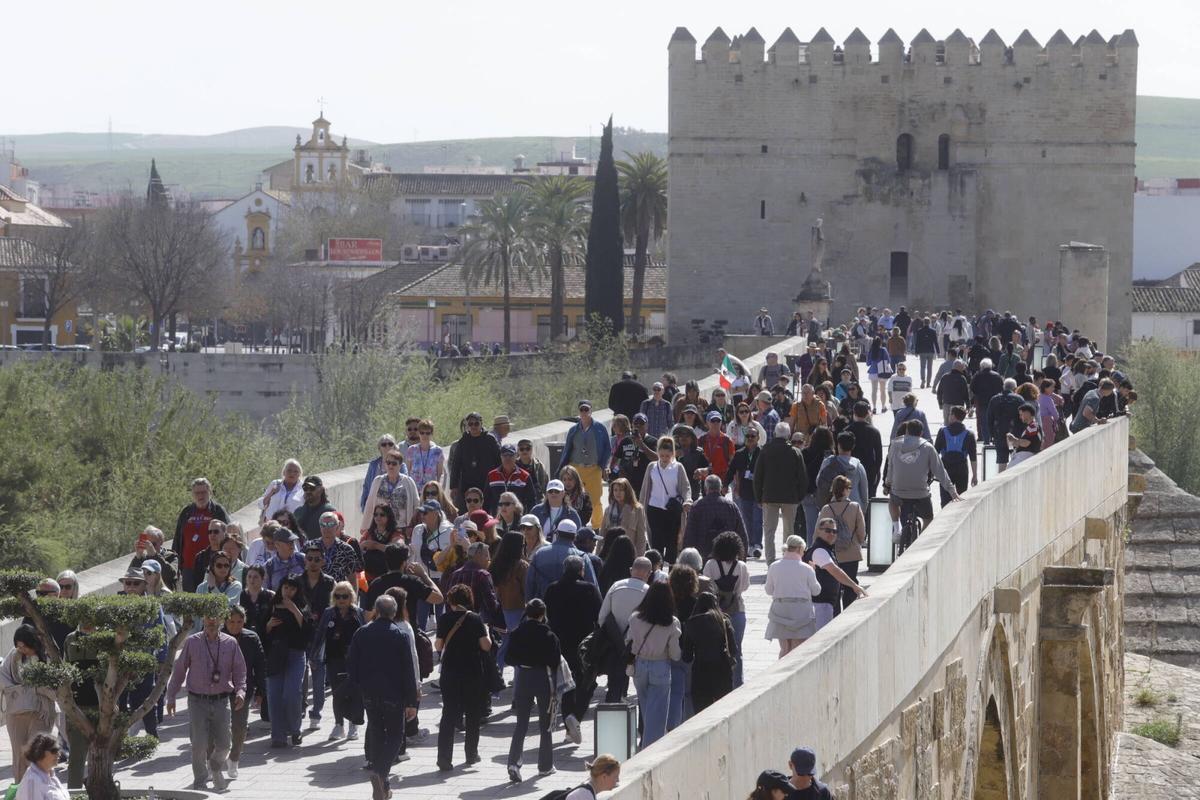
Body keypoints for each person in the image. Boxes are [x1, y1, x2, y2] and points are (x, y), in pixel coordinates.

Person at [165, 612, 247, 792]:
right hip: (197, 701)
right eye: (208, 617)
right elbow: (179, 671)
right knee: (199, 745)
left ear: (221, 619)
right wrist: (171, 696)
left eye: (215, 617)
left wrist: (241, 690)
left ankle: (216, 765)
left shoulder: (230, 643)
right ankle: (200, 783)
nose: (211, 620)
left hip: (221, 701)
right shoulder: (192, 642)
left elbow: (240, 670)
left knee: (225, 744)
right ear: (203, 619)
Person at [348, 595, 419, 800]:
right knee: (396, 736)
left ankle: (383, 785)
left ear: (376, 611)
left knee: (378, 733)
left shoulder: (362, 633)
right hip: (393, 694)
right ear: (394, 613)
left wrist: (359, 688)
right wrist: (411, 701)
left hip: (370, 693)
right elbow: (408, 670)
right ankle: (380, 773)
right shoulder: (399, 635)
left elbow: (352, 665)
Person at [503, 597, 562, 783]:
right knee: (546, 723)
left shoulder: (517, 633)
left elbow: (509, 658)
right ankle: (545, 766)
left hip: (524, 677)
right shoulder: (549, 635)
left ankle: (513, 763)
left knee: (521, 723)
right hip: (543, 678)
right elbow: (555, 661)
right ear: (543, 614)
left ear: (526, 613)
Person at [544, 555, 601, 743]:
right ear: (581, 570)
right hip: (584, 645)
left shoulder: (552, 589)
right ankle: (575, 717)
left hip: (560, 643)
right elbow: (599, 616)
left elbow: (548, 614)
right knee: (588, 683)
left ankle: (570, 724)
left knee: (567, 684)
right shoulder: (589, 589)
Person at [435, 584, 491, 771]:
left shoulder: (444, 619)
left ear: (450, 600)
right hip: (472, 672)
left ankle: (444, 758)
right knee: (473, 713)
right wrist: (487, 631)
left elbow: (438, 645)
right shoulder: (475, 619)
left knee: (449, 714)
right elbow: (486, 646)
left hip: (450, 671)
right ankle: (471, 754)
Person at [625, 581, 681, 748]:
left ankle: (645, 745)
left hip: (640, 666)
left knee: (646, 709)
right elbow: (675, 654)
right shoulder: (671, 622)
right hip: (660, 667)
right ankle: (650, 750)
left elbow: (629, 641)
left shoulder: (635, 618)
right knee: (657, 715)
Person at [884, 419, 960, 538]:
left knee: (893, 502)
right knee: (928, 518)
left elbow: (891, 466)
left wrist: (888, 483)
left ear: (907, 431)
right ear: (921, 433)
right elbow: (939, 470)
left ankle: (897, 529)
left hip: (899, 490)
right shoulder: (928, 447)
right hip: (920, 492)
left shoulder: (895, 444)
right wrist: (952, 491)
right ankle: (920, 540)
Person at [0, 626, 56, 781]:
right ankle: (21, 790)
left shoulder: (48, 655)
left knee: (37, 754)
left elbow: (55, 686)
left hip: (41, 711)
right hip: (17, 712)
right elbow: (2, 676)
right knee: (19, 755)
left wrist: (36, 688)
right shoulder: (14, 656)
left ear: (33, 641)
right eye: (18, 646)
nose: (22, 649)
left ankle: (40, 791)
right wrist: (18, 689)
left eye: (24, 645)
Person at [263, 575, 310, 748]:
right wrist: (269, 625)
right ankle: (278, 736)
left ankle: (295, 730)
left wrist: (294, 609)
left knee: (291, 694)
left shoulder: (302, 606)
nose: (288, 592)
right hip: (275, 654)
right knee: (274, 696)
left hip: (295, 654)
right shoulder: (272, 605)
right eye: (285, 588)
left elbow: (306, 629)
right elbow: (263, 631)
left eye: (292, 588)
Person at [754, 422, 809, 564]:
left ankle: (770, 561)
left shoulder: (765, 451)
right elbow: (802, 477)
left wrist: (758, 497)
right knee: (789, 531)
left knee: (769, 532)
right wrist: (799, 496)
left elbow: (758, 476)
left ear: (775, 434)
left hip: (769, 497)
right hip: (790, 498)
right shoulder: (795, 452)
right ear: (789, 435)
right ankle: (788, 559)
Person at [702, 531, 751, 687]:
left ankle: (718, 683)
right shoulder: (741, 566)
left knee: (716, 649)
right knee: (736, 649)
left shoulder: (710, 565)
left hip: (715, 611)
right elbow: (744, 587)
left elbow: (706, 586)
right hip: (737, 609)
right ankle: (737, 683)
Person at [223, 606, 265, 780]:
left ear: (244, 621)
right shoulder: (217, 636)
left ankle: (234, 759)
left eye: (239, 622)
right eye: (231, 622)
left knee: (240, 727)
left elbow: (260, 665)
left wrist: (261, 691)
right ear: (225, 622)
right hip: (219, 690)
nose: (235, 626)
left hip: (243, 689)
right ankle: (213, 762)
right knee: (217, 728)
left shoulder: (251, 638)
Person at [805, 518, 867, 631]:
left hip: (824, 603)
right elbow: (835, 571)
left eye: (834, 531)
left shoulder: (825, 550)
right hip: (820, 604)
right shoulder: (819, 551)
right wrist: (854, 586)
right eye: (827, 531)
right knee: (821, 640)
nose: (832, 534)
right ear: (818, 531)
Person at [816, 474, 868, 610]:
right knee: (850, 584)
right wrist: (858, 542)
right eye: (849, 487)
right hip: (851, 552)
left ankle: (836, 613)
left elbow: (817, 532)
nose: (850, 490)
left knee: (834, 585)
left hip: (832, 553)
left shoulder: (826, 509)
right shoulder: (855, 507)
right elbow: (861, 532)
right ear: (845, 490)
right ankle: (848, 610)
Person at [764, 535, 821, 657]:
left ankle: (780, 675)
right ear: (800, 549)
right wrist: (813, 571)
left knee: (784, 649)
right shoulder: (807, 569)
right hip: (801, 611)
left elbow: (768, 590)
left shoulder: (774, 566)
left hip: (780, 609)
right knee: (797, 650)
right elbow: (816, 591)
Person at [681, 592, 738, 712]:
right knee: (723, 711)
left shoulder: (691, 623)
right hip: (722, 670)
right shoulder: (723, 621)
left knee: (702, 713)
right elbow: (733, 649)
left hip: (700, 672)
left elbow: (687, 657)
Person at [557, 399, 610, 528]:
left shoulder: (600, 428)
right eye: (582, 410)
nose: (584, 412)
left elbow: (607, 448)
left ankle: (597, 526)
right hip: (576, 468)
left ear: (591, 411)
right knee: (573, 496)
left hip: (593, 468)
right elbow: (567, 449)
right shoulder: (573, 430)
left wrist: (602, 466)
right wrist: (563, 468)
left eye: (587, 409)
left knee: (596, 498)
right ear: (579, 412)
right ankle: (573, 523)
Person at [640, 436, 693, 565]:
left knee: (672, 543)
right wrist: (641, 506)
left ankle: (671, 572)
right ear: (658, 453)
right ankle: (656, 571)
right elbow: (645, 489)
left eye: (667, 456)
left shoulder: (678, 467)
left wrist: (687, 500)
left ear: (672, 454)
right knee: (656, 542)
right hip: (654, 508)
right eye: (662, 455)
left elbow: (686, 487)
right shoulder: (651, 467)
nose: (664, 459)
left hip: (672, 510)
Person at [363, 542, 442, 627]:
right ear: (404, 562)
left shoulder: (376, 584)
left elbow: (368, 617)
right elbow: (439, 598)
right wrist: (424, 575)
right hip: (409, 633)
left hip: (383, 634)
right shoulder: (413, 582)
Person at [173, 477, 230, 592]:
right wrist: (175, 565)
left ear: (210, 492)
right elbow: (178, 539)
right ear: (192, 494)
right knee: (191, 602)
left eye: (203, 492)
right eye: (197, 493)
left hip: (212, 565)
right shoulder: (186, 512)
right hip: (188, 567)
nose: (200, 496)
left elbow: (229, 535)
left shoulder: (217, 511)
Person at [527, 519, 598, 600]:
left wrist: (529, 604)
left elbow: (530, 583)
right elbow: (592, 587)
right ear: (575, 537)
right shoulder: (582, 557)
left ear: (557, 534)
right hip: (572, 609)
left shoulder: (540, 553)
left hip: (543, 608)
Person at [683, 474, 748, 559]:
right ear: (720, 488)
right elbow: (742, 534)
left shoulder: (697, 507)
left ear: (706, 488)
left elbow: (689, 536)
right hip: (728, 557)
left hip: (703, 557)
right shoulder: (731, 506)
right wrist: (742, 558)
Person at [490, 532, 529, 669]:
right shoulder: (521, 566)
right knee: (518, 647)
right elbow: (527, 590)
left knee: (505, 645)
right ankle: (518, 681)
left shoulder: (495, 564)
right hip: (518, 610)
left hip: (501, 610)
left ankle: (497, 679)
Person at [725, 424, 764, 558]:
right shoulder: (740, 453)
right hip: (744, 492)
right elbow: (731, 471)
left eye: (753, 436)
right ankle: (748, 545)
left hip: (759, 493)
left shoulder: (762, 453)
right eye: (747, 436)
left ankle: (757, 545)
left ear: (758, 438)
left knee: (758, 520)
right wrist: (725, 485)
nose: (750, 438)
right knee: (746, 520)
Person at [362, 451, 419, 540]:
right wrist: (365, 526)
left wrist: (412, 526)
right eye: (388, 463)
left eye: (394, 463)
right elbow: (370, 504)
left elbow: (416, 505)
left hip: (402, 528)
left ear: (400, 465)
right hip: (380, 528)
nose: (390, 466)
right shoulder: (378, 481)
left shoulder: (408, 482)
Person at [449, 411, 502, 508]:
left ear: (481, 424)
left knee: (487, 509)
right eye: (470, 424)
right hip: (468, 483)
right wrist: (453, 486)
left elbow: (499, 460)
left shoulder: (490, 439)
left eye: (476, 423)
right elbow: (456, 465)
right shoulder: (463, 442)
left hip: (487, 482)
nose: (473, 426)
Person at [934, 406, 978, 506]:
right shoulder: (969, 434)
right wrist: (974, 475)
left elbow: (935, 452)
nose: (949, 416)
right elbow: (973, 457)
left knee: (945, 499)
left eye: (950, 414)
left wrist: (932, 471)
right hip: (962, 468)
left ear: (953, 416)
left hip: (945, 468)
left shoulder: (942, 431)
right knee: (961, 497)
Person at [600, 477, 649, 556]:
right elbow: (602, 534)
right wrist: (598, 554)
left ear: (627, 491)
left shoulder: (637, 509)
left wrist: (639, 557)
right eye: (615, 490)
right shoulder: (608, 510)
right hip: (610, 553)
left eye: (621, 490)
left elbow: (641, 537)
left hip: (629, 553)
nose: (618, 493)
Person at [13, 734, 69, 800]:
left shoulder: (50, 774)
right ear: (40, 751)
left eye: (59, 750)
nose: (59, 754)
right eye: (54, 750)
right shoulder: (32, 782)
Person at [486, 443, 535, 515]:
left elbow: (531, 501)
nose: (507, 458)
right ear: (500, 457)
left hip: (518, 519)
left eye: (511, 455)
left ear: (516, 456)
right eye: (505, 455)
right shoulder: (491, 475)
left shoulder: (525, 476)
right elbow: (486, 500)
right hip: (497, 520)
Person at [987, 378, 1025, 472]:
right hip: (1016, 434)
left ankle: (1001, 480)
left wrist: (992, 435)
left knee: (1001, 461)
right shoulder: (1019, 399)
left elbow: (989, 419)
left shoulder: (994, 399)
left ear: (1003, 387)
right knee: (1016, 459)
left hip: (999, 434)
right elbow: (1024, 418)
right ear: (1015, 388)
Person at [130, 525, 179, 590]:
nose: (150, 546)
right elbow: (130, 578)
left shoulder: (171, 556)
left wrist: (154, 555)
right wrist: (138, 557)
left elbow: (171, 575)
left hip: (164, 593)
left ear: (161, 542)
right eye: (147, 544)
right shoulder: (142, 558)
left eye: (153, 544)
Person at [361, 433, 398, 512]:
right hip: (375, 507)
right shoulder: (373, 465)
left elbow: (404, 483)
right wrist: (364, 505)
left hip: (394, 507)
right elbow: (367, 486)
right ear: (379, 448)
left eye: (390, 444)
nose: (387, 447)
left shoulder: (401, 465)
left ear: (394, 447)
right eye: (384, 444)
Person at [405, 420, 447, 490]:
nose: (425, 435)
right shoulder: (411, 450)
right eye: (422, 433)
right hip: (414, 490)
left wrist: (439, 490)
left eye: (428, 433)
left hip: (431, 491)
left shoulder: (438, 451)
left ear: (432, 434)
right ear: (418, 433)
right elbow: (407, 472)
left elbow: (440, 474)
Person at [261, 458, 306, 523]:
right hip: (272, 526)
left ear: (300, 474)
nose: (292, 473)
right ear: (284, 472)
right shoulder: (275, 484)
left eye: (296, 471)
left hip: (292, 527)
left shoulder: (304, 489)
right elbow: (261, 504)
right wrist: (271, 493)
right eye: (289, 470)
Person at [970, 359, 1004, 443]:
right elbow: (1001, 388)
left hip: (982, 402)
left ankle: (986, 440)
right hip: (995, 402)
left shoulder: (977, 375)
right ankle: (995, 438)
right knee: (995, 421)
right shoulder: (997, 375)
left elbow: (972, 388)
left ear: (981, 366)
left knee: (984, 422)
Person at [263, 526, 305, 591]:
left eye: (292, 541)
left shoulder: (302, 559)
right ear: (277, 544)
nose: (292, 545)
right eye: (288, 542)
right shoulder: (268, 567)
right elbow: (266, 592)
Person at [936, 358, 972, 426]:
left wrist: (940, 403)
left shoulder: (945, 377)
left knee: (947, 424)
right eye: (962, 367)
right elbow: (965, 394)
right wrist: (968, 405)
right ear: (960, 368)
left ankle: (947, 436)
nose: (963, 369)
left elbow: (939, 392)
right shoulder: (962, 378)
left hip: (946, 404)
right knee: (957, 424)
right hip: (958, 405)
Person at [1006, 402, 1042, 468]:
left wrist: (1014, 439)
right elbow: (1022, 443)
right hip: (1023, 456)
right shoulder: (1030, 427)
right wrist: (1012, 440)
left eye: (1021, 414)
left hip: (1025, 457)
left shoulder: (1033, 426)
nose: (1020, 417)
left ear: (1027, 413)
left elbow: (1026, 443)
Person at [559, 465, 595, 529]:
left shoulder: (584, 497)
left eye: (570, 479)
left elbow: (586, 516)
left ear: (576, 480)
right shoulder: (558, 496)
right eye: (564, 480)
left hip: (578, 529)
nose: (567, 482)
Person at [913, 317, 940, 387]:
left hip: (922, 351)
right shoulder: (933, 331)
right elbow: (935, 342)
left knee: (922, 367)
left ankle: (923, 380)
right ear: (929, 323)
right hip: (930, 351)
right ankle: (928, 382)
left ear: (923, 323)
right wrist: (938, 351)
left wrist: (916, 351)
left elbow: (917, 342)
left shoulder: (919, 331)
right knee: (929, 367)